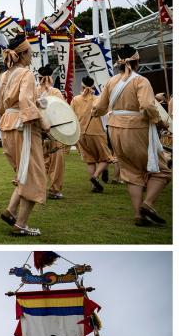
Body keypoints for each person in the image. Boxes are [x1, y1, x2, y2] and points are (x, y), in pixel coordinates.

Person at [92, 45, 171, 226]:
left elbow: (99, 108)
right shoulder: (141, 81)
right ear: (137, 61)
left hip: (114, 129)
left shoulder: (111, 82)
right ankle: (148, 204)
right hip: (136, 129)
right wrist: (159, 120)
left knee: (131, 172)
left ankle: (138, 214)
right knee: (162, 171)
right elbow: (148, 106)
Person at [0, 33, 50, 236]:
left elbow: (0, 106)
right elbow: (26, 101)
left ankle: (11, 210)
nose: (32, 55)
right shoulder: (26, 74)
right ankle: (21, 225)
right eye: (30, 52)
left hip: (8, 125)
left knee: (23, 172)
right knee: (34, 176)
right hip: (22, 126)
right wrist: (44, 123)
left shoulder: (5, 75)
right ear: (23, 53)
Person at [71, 76, 111, 192]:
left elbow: (71, 114)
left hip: (81, 133)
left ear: (82, 86)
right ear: (93, 86)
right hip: (96, 132)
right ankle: (95, 177)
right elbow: (106, 113)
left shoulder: (75, 99)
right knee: (106, 158)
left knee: (90, 160)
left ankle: (94, 186)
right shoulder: (97, 99)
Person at [37, 66, 66, 199]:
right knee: (56, 162)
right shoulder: (55, 92)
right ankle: (54, 190)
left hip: (38, 131)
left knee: (40, 161)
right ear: (51, 78)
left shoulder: (33, 91)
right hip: (54, 130)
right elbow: (63, 110)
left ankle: (38, 187)